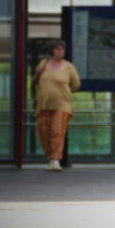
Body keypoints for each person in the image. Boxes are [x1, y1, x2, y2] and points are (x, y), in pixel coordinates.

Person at [32, 40, 80, 171]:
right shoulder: (44, 63)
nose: (60, 52)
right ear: (52, 51)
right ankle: (50, 158)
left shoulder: (68, 66)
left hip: (62, 105)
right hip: (44, 104)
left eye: (62, 49)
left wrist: (64, 91)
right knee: (43, 131)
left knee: (57, 131)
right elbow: (35, 81)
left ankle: (55, 160)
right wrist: (37, 73)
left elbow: (75, 85)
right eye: (57, 49)